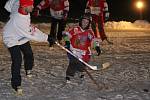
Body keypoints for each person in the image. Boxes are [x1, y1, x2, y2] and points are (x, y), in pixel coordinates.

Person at [3, 0, 55, 93]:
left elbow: (8, 5)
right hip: (11, 38)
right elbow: (33, 34)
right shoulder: (20, 21)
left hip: (20, 35)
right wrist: (47, 38)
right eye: (30, 5)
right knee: (17, 60)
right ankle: (16, 84)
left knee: (29, 53)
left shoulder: (18, 4)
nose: (33, 7)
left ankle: (28, 69)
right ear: (24, 6)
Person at [62, 13, 101, 83]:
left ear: (89, 23)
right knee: (73, 63)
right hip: (74, 50)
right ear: (80, 21)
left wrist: (97, 47)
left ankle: (81, 71)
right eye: (83, 21)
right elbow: (66, 35)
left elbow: (93, 40)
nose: (84, 23)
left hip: (84, 51)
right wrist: (67, 42)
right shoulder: (75, 29)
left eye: (87, 22)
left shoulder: (90, 32)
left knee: (82, 64)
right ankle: (69, 75)